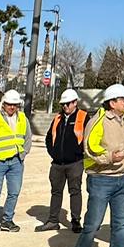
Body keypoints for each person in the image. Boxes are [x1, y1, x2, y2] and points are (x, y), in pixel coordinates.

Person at [67, 83, 124, 247]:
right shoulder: (98, 120)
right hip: (101, 180)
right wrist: (110, 157)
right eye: (123, 99)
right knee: (92, 225)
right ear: (112, 103)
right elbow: (89, 149)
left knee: (120, 225)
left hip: (123, 181)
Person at [0, 88, 36, 234]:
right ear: (3, 104)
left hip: (16, 162)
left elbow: (27, 138)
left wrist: (23, 154)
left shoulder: (23, 119)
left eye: (15, 104)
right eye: (9, 104)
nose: (12, 107)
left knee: (14, 192)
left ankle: (7, 220)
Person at [42, 88, 88, 231]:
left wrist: (79, 154)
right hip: (57, 164)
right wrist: (54, 153)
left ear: (75, 102)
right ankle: (53, 220)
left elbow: (89, 138)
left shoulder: (83, 117)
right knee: (56, 192)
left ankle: (75, 221)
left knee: (75, 191)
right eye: (63, 104)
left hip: (75, 163)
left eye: (68, 103)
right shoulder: (58, 118)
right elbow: (49, 138)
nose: (65, 106)